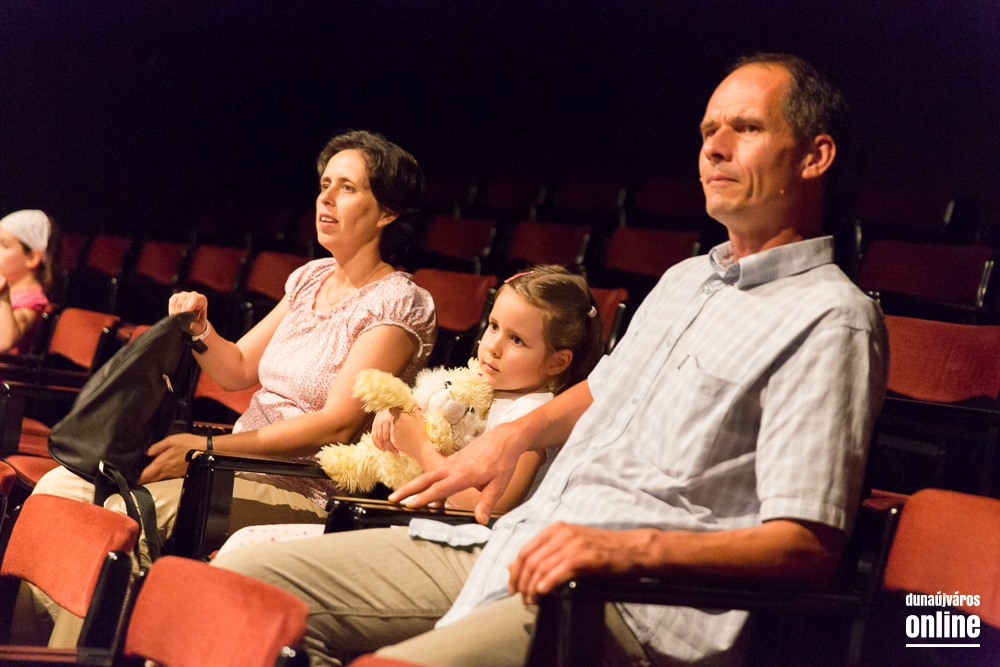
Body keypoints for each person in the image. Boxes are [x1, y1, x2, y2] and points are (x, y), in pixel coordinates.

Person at [215, 54, 888, 666]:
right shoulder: (687, 280)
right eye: (709, 130)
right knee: (239, 592)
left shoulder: (831, 317)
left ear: (815, 156)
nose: (713, 146)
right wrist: (512, 436)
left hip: (628, 600)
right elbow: (605, 390)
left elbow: (807, 547)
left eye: (745, 128)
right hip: (519, 543)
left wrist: (626, 547)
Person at [33, 130, 437, 540]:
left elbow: (336, 426)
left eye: (347, 188)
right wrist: (200, 329)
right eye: (325, 184)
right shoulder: (310, 278)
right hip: (228, 465)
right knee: (59, 487)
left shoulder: (398, 302)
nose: (326, 198)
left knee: (121, 513)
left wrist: (204, 448)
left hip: (303, 488)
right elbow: (237, 369)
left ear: (387, 213)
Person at [214, 265, 604, 556]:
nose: (493, 346)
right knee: (245, 545)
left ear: (558, 362)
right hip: (418, 529)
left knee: (251, 548)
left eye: (517, 340)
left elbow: (487, 509)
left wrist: (418, 444)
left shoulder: (532, 414)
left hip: (463, 550)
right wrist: (398, 418)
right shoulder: (478, 389)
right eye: (493, 326)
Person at [0, 209, 55, 354]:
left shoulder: (33, 302)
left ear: (32, 258)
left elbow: (3, 342)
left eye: (4, 245)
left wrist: (3, 295)